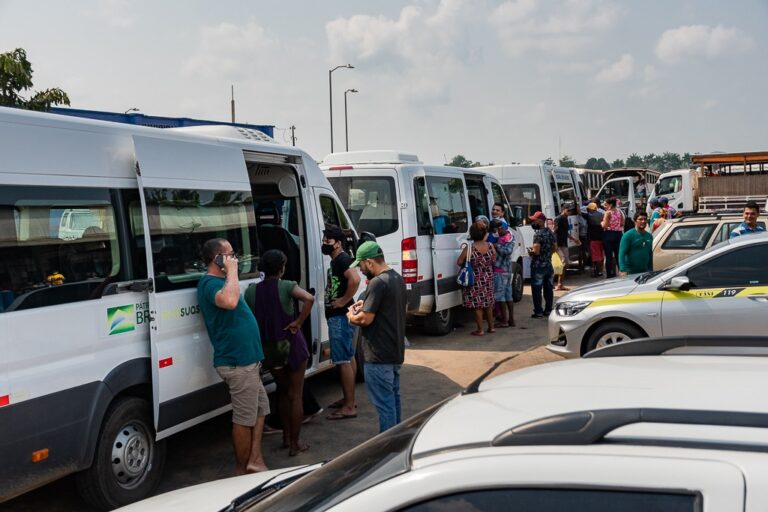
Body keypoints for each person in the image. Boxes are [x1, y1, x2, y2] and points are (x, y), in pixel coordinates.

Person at [197, 238, 268, 474]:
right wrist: (233, 272)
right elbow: (229, 301)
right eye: (231, 255)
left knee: (260, 409)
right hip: (237, 363)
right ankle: (242, 470)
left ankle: (254, 459)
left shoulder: (224, 280)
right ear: (218, 259)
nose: (235, 258)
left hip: (248, 360)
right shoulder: (209, 284)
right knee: (244, 418)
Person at [246, 250, 314, 456]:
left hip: (269, 350)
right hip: (292, 347)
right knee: (296, 395)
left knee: (282, 391)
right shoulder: (286, 286)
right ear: (282, 268)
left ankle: (285, 438)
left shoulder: (251, 291)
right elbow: (309, 298)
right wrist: (298, 322)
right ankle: (295, 444)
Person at [347, 241, 406, 433]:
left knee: (385, 406)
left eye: (361, 265)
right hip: (394, 352)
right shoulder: (397, 278)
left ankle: (387, 448)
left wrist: (351, 316)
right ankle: (397, 441)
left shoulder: (377, 283)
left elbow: (365, 319)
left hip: (378, 354)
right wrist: (367, 303)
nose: (361, 270)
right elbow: (387, 308)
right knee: (393, 400)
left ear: (370, 262)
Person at [321, 225, 360, 420]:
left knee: (342, 360)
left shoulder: (343, 259)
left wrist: (343, 300)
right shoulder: (337, 260)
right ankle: (348, 398)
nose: (324, 244)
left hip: (340, 316)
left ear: (337, 242)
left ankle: (349, 406)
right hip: (340, 315)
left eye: (327, 241)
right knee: (349, 356)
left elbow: (355, 279)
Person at [457, 221, 496, 336]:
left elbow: (459, 262)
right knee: (488, 304)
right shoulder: (490, 246)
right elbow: (494, 260)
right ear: (484, 233)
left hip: (474, 279)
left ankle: (480, 330)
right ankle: (491, 327)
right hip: (488, 277)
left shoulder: (469, 249)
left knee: (477, 305)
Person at [528, 211, 556, 318]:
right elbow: (555, 248)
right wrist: (547, 253)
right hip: (548, 264)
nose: (533, 222)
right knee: (548, 289)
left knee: (536, 289)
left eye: (534, 220)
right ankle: (548, 310)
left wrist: (531, 252)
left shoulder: (538, 234)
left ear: (540, 221)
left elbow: (536, 251)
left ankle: (538, 312)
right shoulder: (550, 232)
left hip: (538, 265)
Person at [490, 218, 515, 328]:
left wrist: (496, 246)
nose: (496, 232)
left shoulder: (507, 239)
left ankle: (504, 321)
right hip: (507, 271)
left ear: (501, 228)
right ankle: (511, 320)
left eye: (497, 230)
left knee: (501, 297)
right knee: (508, 296)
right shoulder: (507, 236)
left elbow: (507, 251)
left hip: (501, 271)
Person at [618, 212, 654, 277]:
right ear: (635, 221)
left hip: (645, 271)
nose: (643, 221)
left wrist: (650, 269)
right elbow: (622, 253)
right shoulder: (628, 235)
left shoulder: (649, 236)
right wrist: (623, 270)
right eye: (640, 219)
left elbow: (650, 254)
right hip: (630, 272)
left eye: (645, 219)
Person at [554, 204, 579, 291]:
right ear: (563, 209)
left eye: (570, 211)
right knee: (563, 263)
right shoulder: (559, 218)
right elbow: (554, 230)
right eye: (568, 210)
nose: (570, 212)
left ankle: (560, 283)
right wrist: (554, 244)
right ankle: (558, 283)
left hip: (564, 243)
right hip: (558, 244)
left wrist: (574, 240)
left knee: (566, 263)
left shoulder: (565, 219)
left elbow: (566, 232)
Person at [601, 197, 624, 278]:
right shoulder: (619, 212)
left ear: (610, 204)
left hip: (609, 234)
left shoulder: (608, 213)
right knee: (618, 255)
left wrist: (601, 223)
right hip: (618, 234)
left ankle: (609, 274)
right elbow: (622, 223)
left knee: (608, 256)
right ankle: (622, 273)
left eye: (605, 204)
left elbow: (605, 225)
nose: (604, 206)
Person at [585, 202, 605, 277]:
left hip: (593, 239)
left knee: (596, 257)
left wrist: (576, 202)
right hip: (602, 237)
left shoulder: (590, 216)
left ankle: (596, 271)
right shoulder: (602, 214)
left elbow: (580, 213)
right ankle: (600, 271)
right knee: (601, 255)